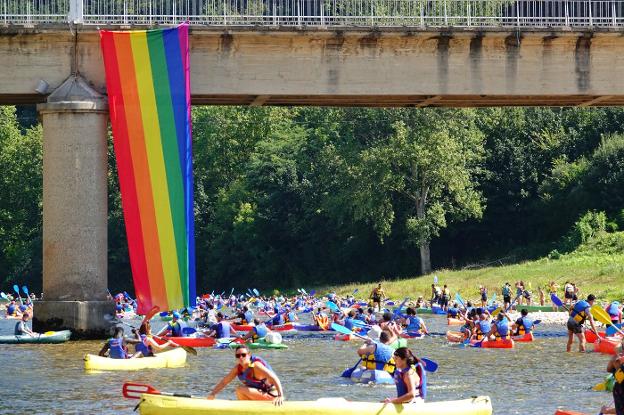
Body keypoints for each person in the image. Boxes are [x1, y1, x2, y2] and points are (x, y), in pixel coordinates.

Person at [207, 345, 284, 405]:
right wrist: (212, 394)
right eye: (238, 356)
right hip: (260, 394)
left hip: (272, 396)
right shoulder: (237, 368)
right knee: (240, 391)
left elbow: (274, 378)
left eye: (243, 355)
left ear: (249, 355)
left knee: (240, 390)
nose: (241, 357)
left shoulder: (256, 365)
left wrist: (280, 395)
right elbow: (224, 382)